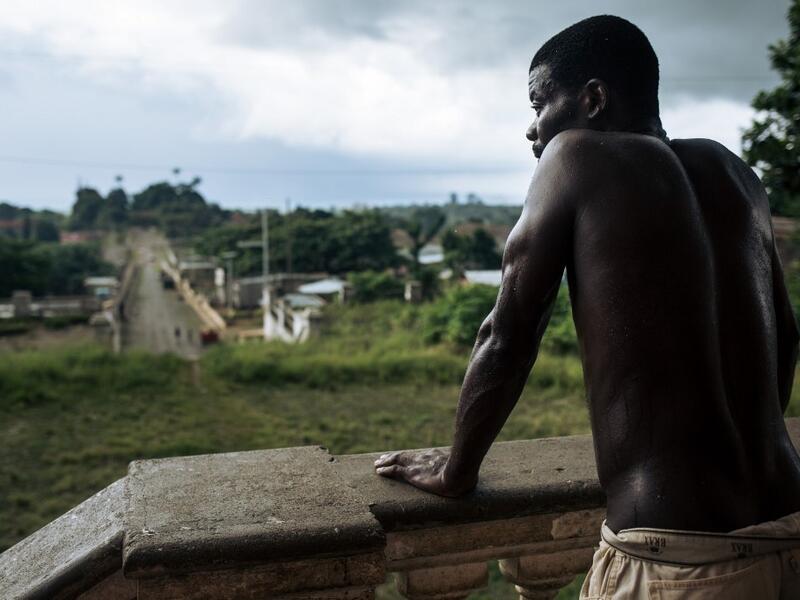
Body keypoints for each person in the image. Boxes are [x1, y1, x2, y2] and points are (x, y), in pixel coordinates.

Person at [375, 15, 800, 598]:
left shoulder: (576, 157)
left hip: (679, 558)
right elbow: (789, 336)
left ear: (593, 99)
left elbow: (508, 335)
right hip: (787, 529)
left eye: (538, 103)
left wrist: (456, 470)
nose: (532, 129)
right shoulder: (735, 172)